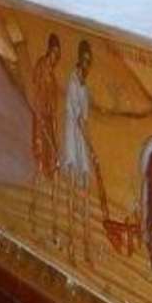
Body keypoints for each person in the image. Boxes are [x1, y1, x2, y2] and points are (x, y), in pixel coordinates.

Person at [60, 39, 99, 255]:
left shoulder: (85, 86)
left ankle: (85, 243)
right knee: (73, 185)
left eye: (89, 62)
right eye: (85, 60)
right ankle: (71, 244)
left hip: (81, 137)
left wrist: (90, 146)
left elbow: (85, 119)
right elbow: (76, 118)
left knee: (84, 186)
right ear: (79, 58)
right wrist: (90, 147)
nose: (87, 65)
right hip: (72, 136)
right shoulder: (73, 82)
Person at [28, 31, 64, 239]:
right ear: (50, 50)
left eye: (58, 56)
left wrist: (55, 138)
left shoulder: (53, 77)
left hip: (48, 124)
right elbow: (37, 99)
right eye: (55, 53)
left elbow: (54, 109)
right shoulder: (41, 68)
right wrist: (41, 123)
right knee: (40, 167)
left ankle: (53, 222)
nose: (56, 58)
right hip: (40, 123)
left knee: (53, 169)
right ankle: (34, 210)